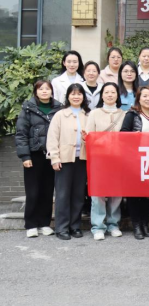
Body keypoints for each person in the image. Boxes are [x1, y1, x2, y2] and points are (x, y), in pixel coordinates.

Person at [15, 80, 62, 238]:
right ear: (36, 92)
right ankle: (31, 224)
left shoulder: (58, 109)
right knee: (33, 191)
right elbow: (21, 134)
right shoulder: (28, 109)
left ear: (51, 91)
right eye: (41, 89)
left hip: (52, 155)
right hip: (34, 155)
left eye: (47, 89)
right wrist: (25, 156)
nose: (44, 91)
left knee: (47, 191)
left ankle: (44, 223)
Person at [46, 83, 89, 240]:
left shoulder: (88, 115)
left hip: (82, 159)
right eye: (73, 94)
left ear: (83, 97)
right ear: (68, 96)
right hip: (64, 159)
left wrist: (86, 138)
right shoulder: (60, 115)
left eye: (79, 94)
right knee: (63, 194)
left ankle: (75, 226)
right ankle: (61, 228)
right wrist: (54, 158)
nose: (76, 97)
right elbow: (52, 138)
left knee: (78, 195)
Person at [84, 82, 125, 241]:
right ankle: (98, 226)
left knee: (116, 193)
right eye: (106, 92)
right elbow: (89, 136)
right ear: (102, 95)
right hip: (99, 159)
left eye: (113, 92)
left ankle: (113, 224)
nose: (109, 95)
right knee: (98, 193)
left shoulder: (124, 114)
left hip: (119, 159)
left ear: (117, 95)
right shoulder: (94, 114)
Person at [120, 86, 149, 239]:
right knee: (134, 193)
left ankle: (144, 223)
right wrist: (132, 136)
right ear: (139, 98)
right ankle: (136, 225)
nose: (148, 99)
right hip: (134, 158)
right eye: (145, 96)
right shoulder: (131, 114)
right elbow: (123, 133)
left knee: (147, 194)